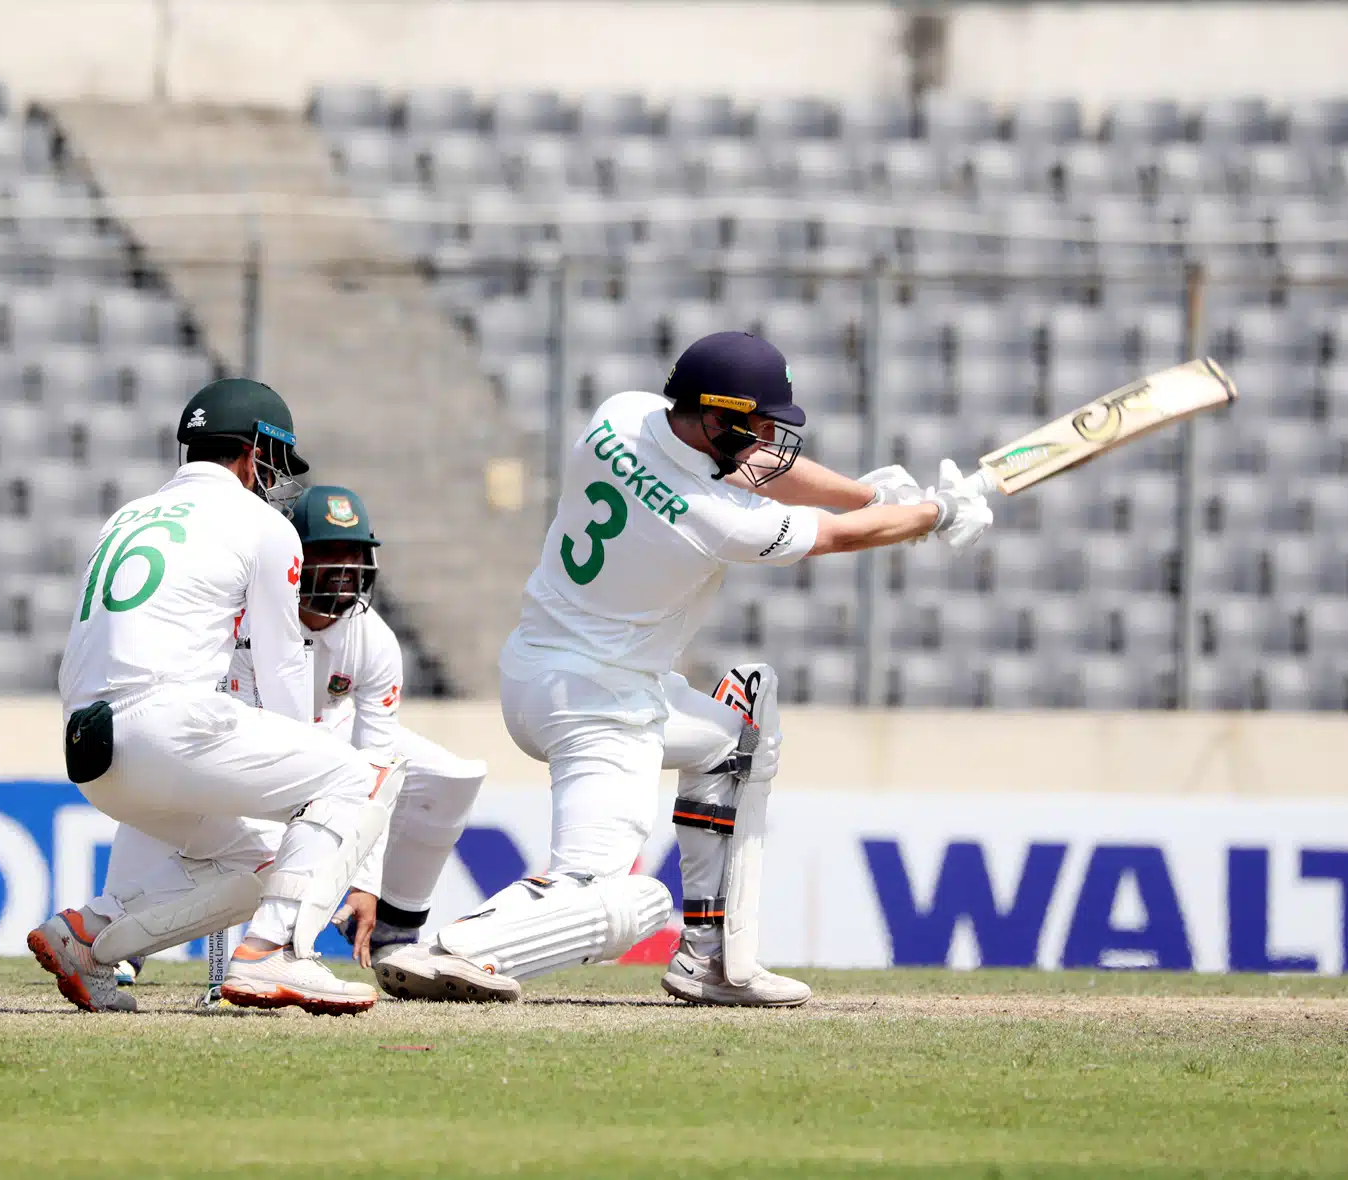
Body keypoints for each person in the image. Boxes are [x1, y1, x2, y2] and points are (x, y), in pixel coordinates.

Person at [398, 331, 994, 1006]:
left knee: (735, 743)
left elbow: (747, 467)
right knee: (615, 896)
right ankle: (454, 949)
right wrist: (934, 513)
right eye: (759, 424)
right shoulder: (719, 522)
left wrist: (862, 494)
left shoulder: (620, 416)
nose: (770, 438)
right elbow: (829, 536)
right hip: (597, 707)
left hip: (554, 670)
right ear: (716, 418)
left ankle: (712, 960)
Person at [29, 379, 406, 1015]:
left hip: (88, 751)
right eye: (276, 461)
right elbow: (285, 669)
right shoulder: (259, 522)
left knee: (270, 865)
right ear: (256, 450)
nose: (276, 479)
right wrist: (303, 790)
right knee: (364, 779)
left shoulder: (127, 514)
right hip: (168, 727)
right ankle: (274, 954)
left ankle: (89, 935)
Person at [228, 485, 499, 1000]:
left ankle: (393, 934)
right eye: (328, 552)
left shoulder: (372, 639)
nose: (345, 568)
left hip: (331, 740)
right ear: (295, 558)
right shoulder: (247, 618)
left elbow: (379, 767)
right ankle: (127, 934)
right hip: (251, 742)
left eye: (354, 554)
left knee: (451, 777)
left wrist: (365, 883)